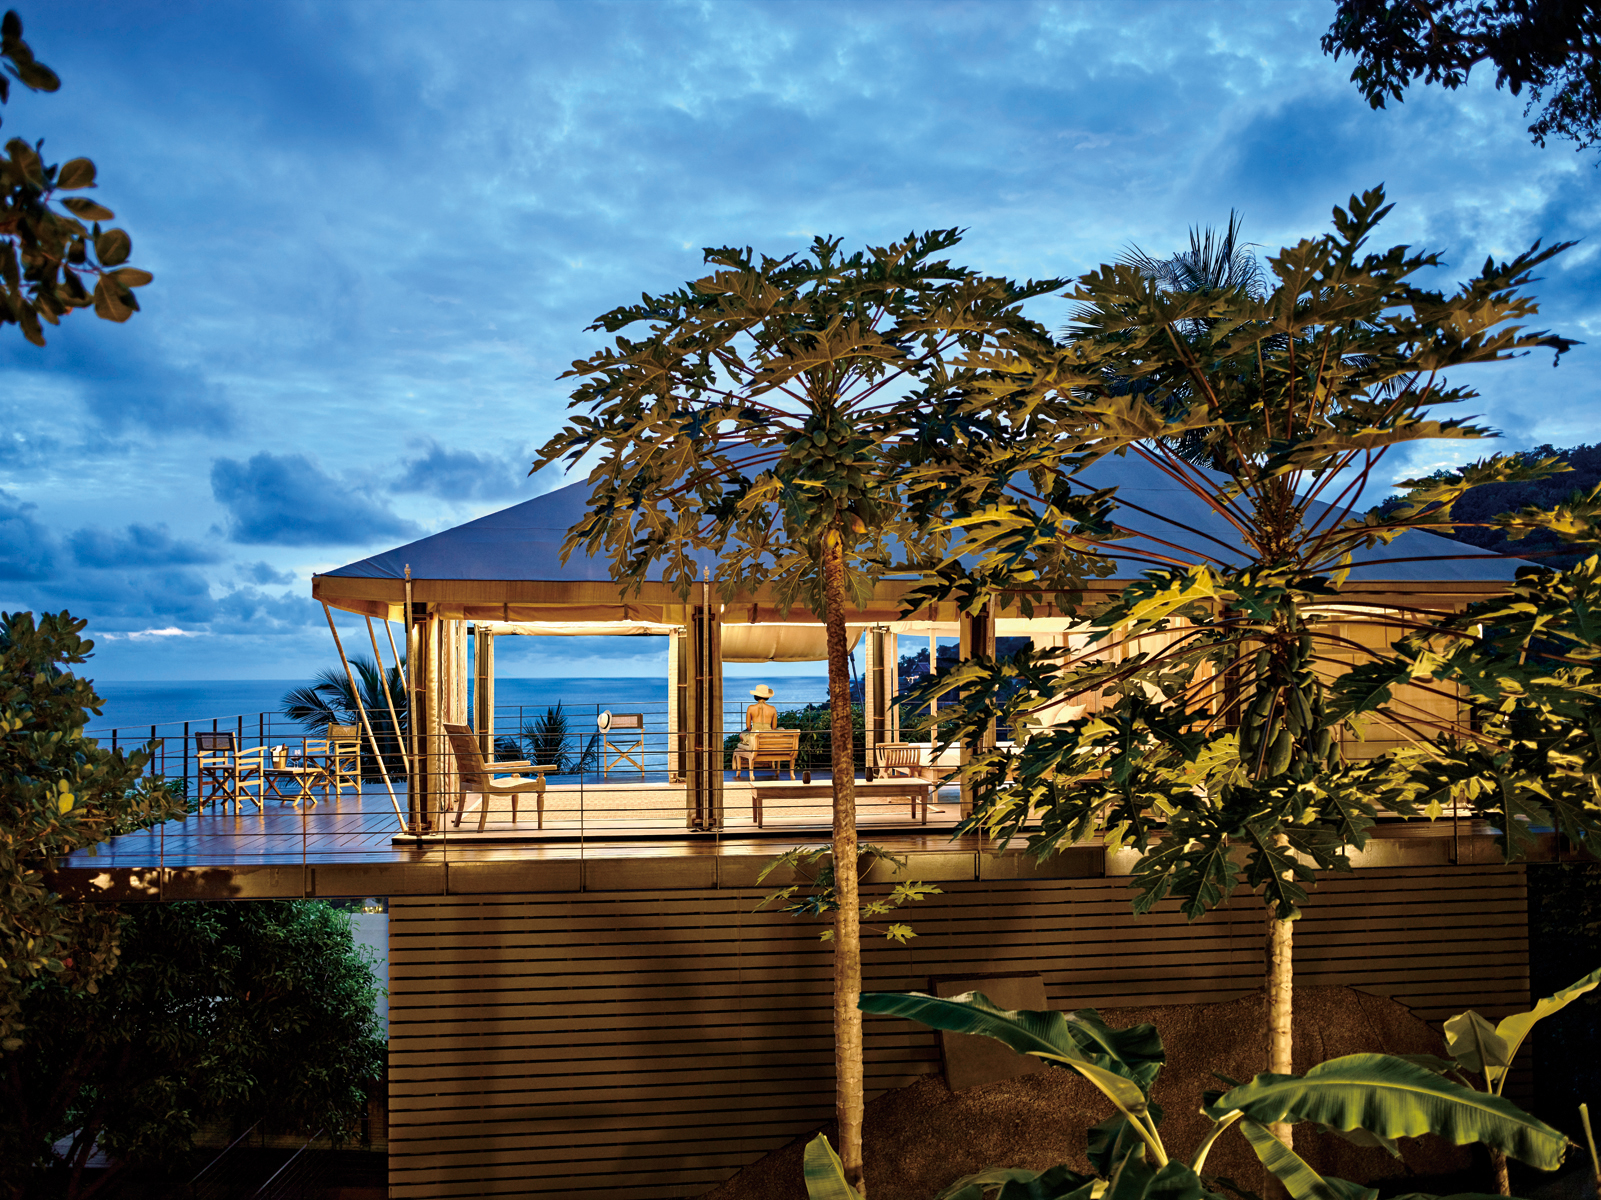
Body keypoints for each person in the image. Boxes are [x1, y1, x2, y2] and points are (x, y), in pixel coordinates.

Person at [736, 684, 777, 750]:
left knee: (742, 734)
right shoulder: (773, 709)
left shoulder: (750, 708)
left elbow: (748, 727)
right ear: (767, 696)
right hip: (767, 738)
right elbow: (774, 728)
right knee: (782, 729)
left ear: (756, 695)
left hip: (754, 738)